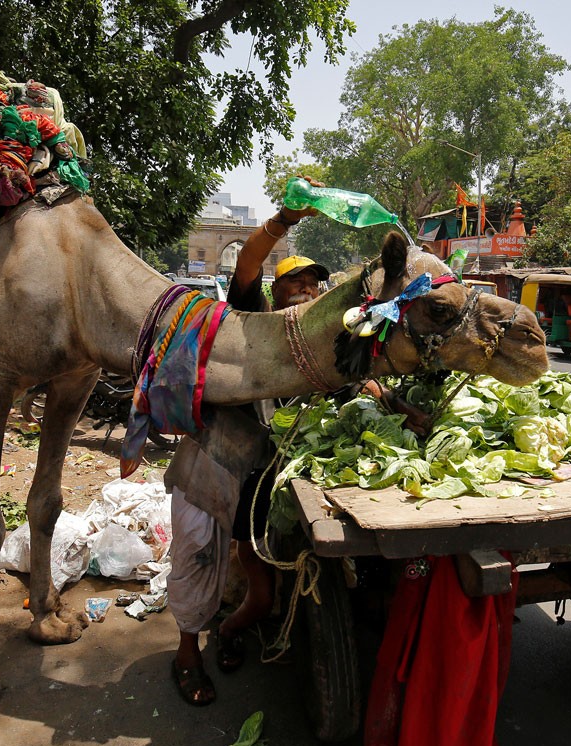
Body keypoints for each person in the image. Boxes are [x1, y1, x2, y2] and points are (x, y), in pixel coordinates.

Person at [164, 193, 429, 706]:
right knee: (199, 556)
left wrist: (399, 406)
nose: (303, 289)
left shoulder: (327, 343)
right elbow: (246, 261)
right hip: (220, 465)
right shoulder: (255, 320)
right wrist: (285, 219)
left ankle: (232, 630)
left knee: (263, 597)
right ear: (273, 290)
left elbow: (357, 382)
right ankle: (186, 653)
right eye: (293, 281)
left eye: (312, 283)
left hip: (275, 479)